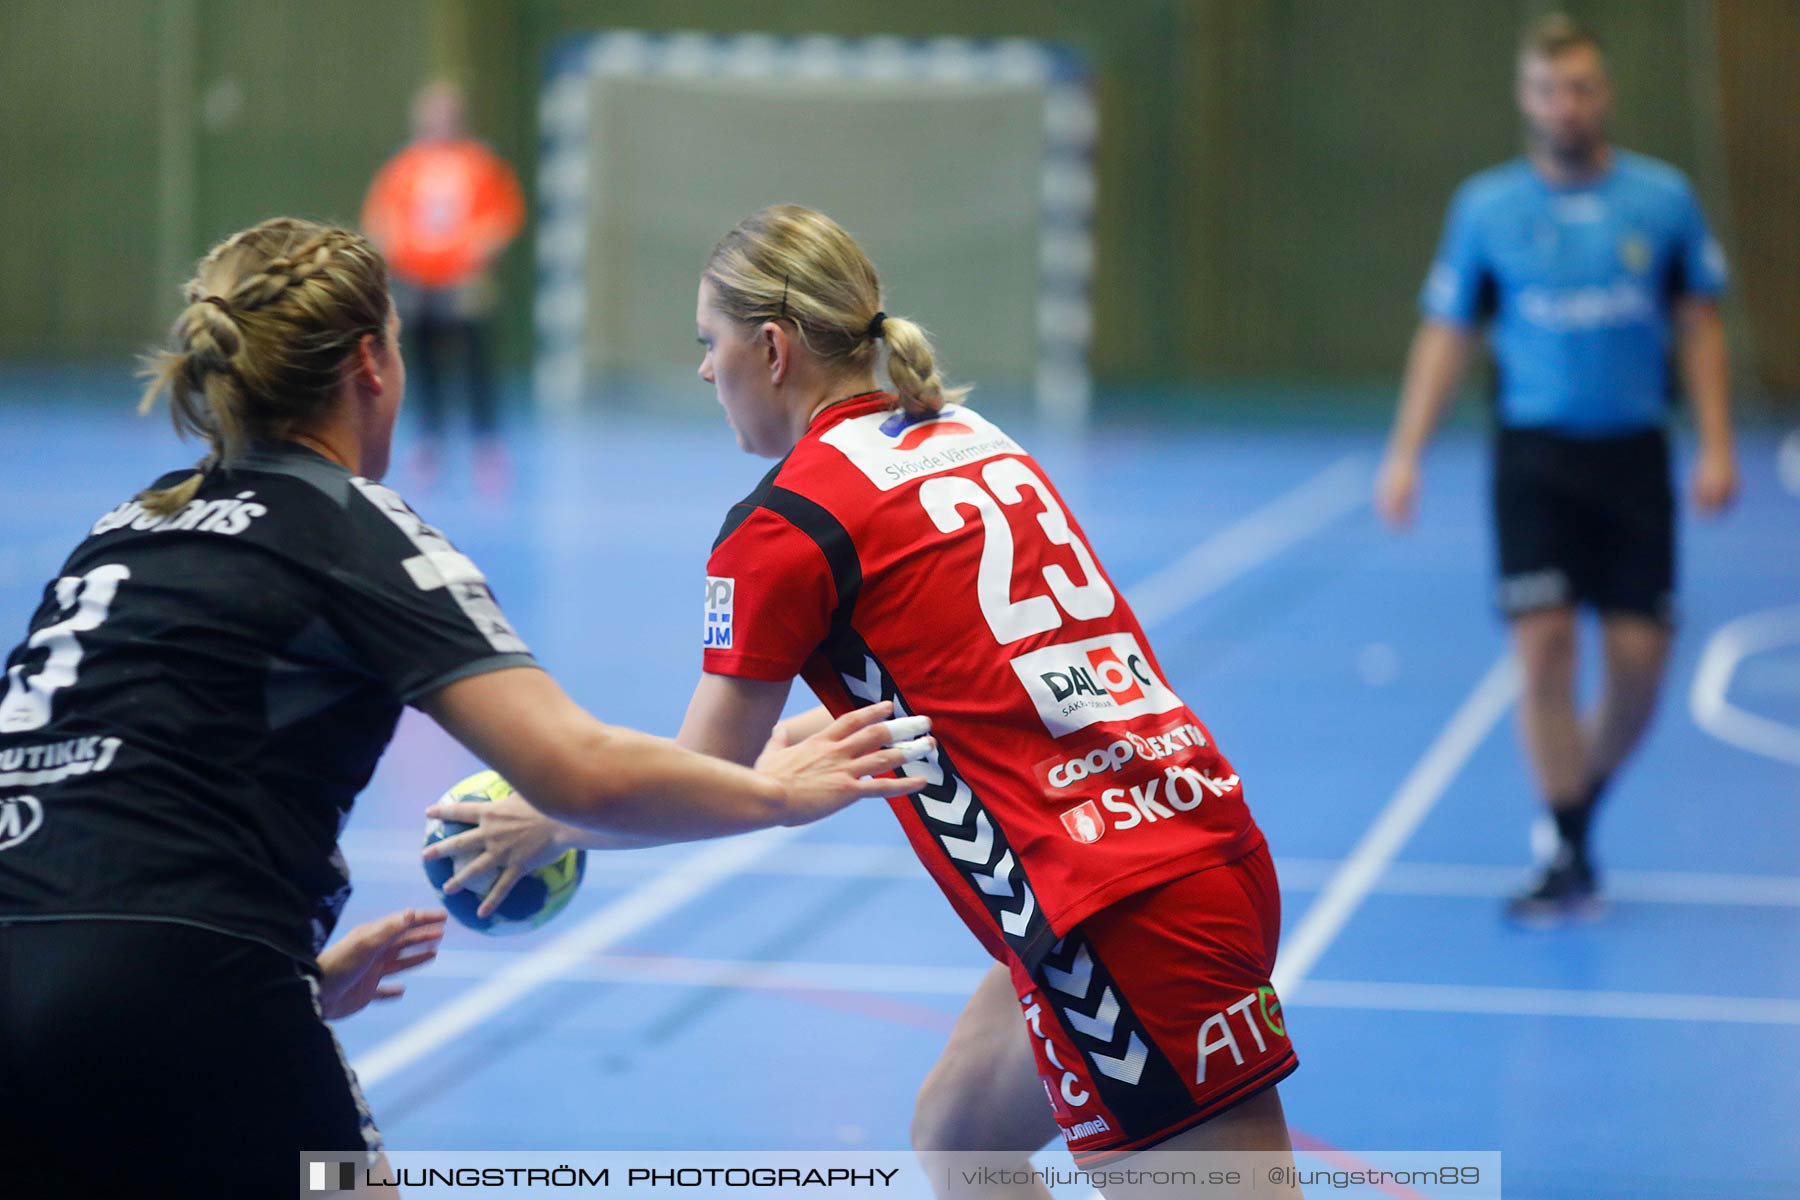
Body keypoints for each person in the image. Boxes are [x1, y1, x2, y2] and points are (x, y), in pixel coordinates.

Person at [0, 217, 931, 1198]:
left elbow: (93, 802)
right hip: (192, 974)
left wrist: (299, 982)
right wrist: (774, 792)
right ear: (371, 363)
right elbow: (579, 768)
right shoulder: (351, 525)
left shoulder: (128, 526)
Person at [426, 205, 1301, 1198]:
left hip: (1115, 918)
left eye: (709, 345)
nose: (706, 372)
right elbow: (940, 697)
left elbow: (696, 783)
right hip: (1185, 841)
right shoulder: (964, 434)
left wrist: (550, 822)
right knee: (960, 1137)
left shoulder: (788, 521)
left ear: (771, 347)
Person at [1374, 14, 1737, 924]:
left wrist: (1720, 443)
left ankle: (1578, 807)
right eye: (1547, 89)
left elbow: (1698, 322)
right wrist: (1406, 453)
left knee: (1639, 663)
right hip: (1535, 456)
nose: (1564, 106)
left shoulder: (1663, 201)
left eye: (1579, 88)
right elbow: (1448, 333)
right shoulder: (1487, 209)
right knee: (1541, 645)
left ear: (1602, 97)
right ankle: (1569, 848)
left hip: (1633, 455)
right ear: (1525, 98)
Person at [362, 80, 524, 492]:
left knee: (475, 365)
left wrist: (476, 253)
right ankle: (429, 444)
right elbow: (381, 216)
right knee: (423, 364)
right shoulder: (405, 165)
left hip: (463, 280)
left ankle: (486, 447)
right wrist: (397, 254)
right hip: (417, 281)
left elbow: (502, 216)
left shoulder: (480, 162)